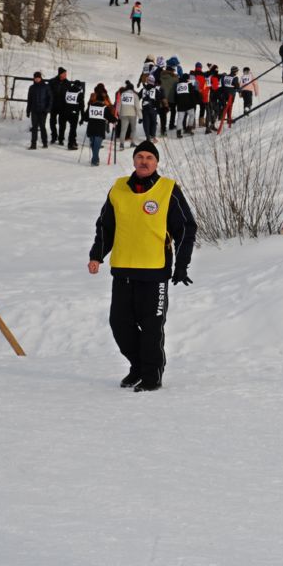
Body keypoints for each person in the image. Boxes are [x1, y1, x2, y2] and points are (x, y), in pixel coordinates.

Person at [88, 140, 197, 392]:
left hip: (154, 272)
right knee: (120, 325)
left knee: (151, 328)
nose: (144, 161)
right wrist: (97, 255)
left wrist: (181, 264)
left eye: (149, 157)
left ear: (156, 163)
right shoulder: (118, 189)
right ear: (134, 161)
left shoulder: (167, 189)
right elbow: (105, 226)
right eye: (140, 157)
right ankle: (137, 366)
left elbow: (186, 228)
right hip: (123, 271)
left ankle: (151, 376)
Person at [84, 83, 117, 166]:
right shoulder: (104, 107)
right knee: (97, 145)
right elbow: (109, 117)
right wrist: (115, 120)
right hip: (99, 128)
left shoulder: (91, 106)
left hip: (91, 128)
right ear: (102, 100)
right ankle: (95, 160)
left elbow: (85, 117)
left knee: (93, 144)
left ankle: (95, 158)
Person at [26, 71, 52, 150]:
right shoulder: (32, 87)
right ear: (34, 78)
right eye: (35, 78)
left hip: (43, 111)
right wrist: (28, 110)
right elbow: (29, 100)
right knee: (34, 127)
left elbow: (50, 98)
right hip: (34, 110)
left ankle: (45, 143)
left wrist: (48, 109)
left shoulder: (46, 87)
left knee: (42, 127)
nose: (37, 79)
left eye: (38, 78)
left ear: (40, 78)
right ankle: (33, 144)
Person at [61, 78, 86, 150]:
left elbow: (63, 102)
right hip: (74, 113)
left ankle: (73, 141)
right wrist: (82, 117)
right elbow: (82, 106)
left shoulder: (67, 91)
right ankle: (70, 144)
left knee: (70, 128)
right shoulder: (79, 93)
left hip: (65, 112)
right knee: (73, 129)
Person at [47, 67, 68, 145]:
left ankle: (61, 139)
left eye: (66, 74)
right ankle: (54, 136)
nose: (65, 75)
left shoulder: (67, 83)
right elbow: (48, 93)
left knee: (62, 123)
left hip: (63, 106)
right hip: (53, 105)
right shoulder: (52, 81)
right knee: (52, 122)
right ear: (60, 74)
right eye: (64, 73)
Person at [115, 80, 139, 148]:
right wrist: (140, 116)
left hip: (123, 114)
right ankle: (132, 143)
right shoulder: (135, 95)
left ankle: (121, 144)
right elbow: (137, 106)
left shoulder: (122, 94)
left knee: (123, 130)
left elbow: (118, 104)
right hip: (133, 114)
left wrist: (119, 113)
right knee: (133, 129)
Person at [173, 72, 197, 136]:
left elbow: (175, 95)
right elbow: (193, 95)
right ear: (187, 79)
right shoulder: (189, 84)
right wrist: (194, 103)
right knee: (192, 115)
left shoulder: (177, 85)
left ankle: (178, 132)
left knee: (180, 118)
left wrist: (177, 103)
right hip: (188, 104)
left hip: (180, 104)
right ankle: (189, 129)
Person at [139, 75, 160, 142]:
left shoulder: (143, 90)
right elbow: (158, 100)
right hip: (153, 109)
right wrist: (158, 109)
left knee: (146, 123)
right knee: (153, 123)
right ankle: (153, 136)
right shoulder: (155, 90)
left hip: (145, 109)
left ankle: (148, 137)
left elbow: (137, 98)